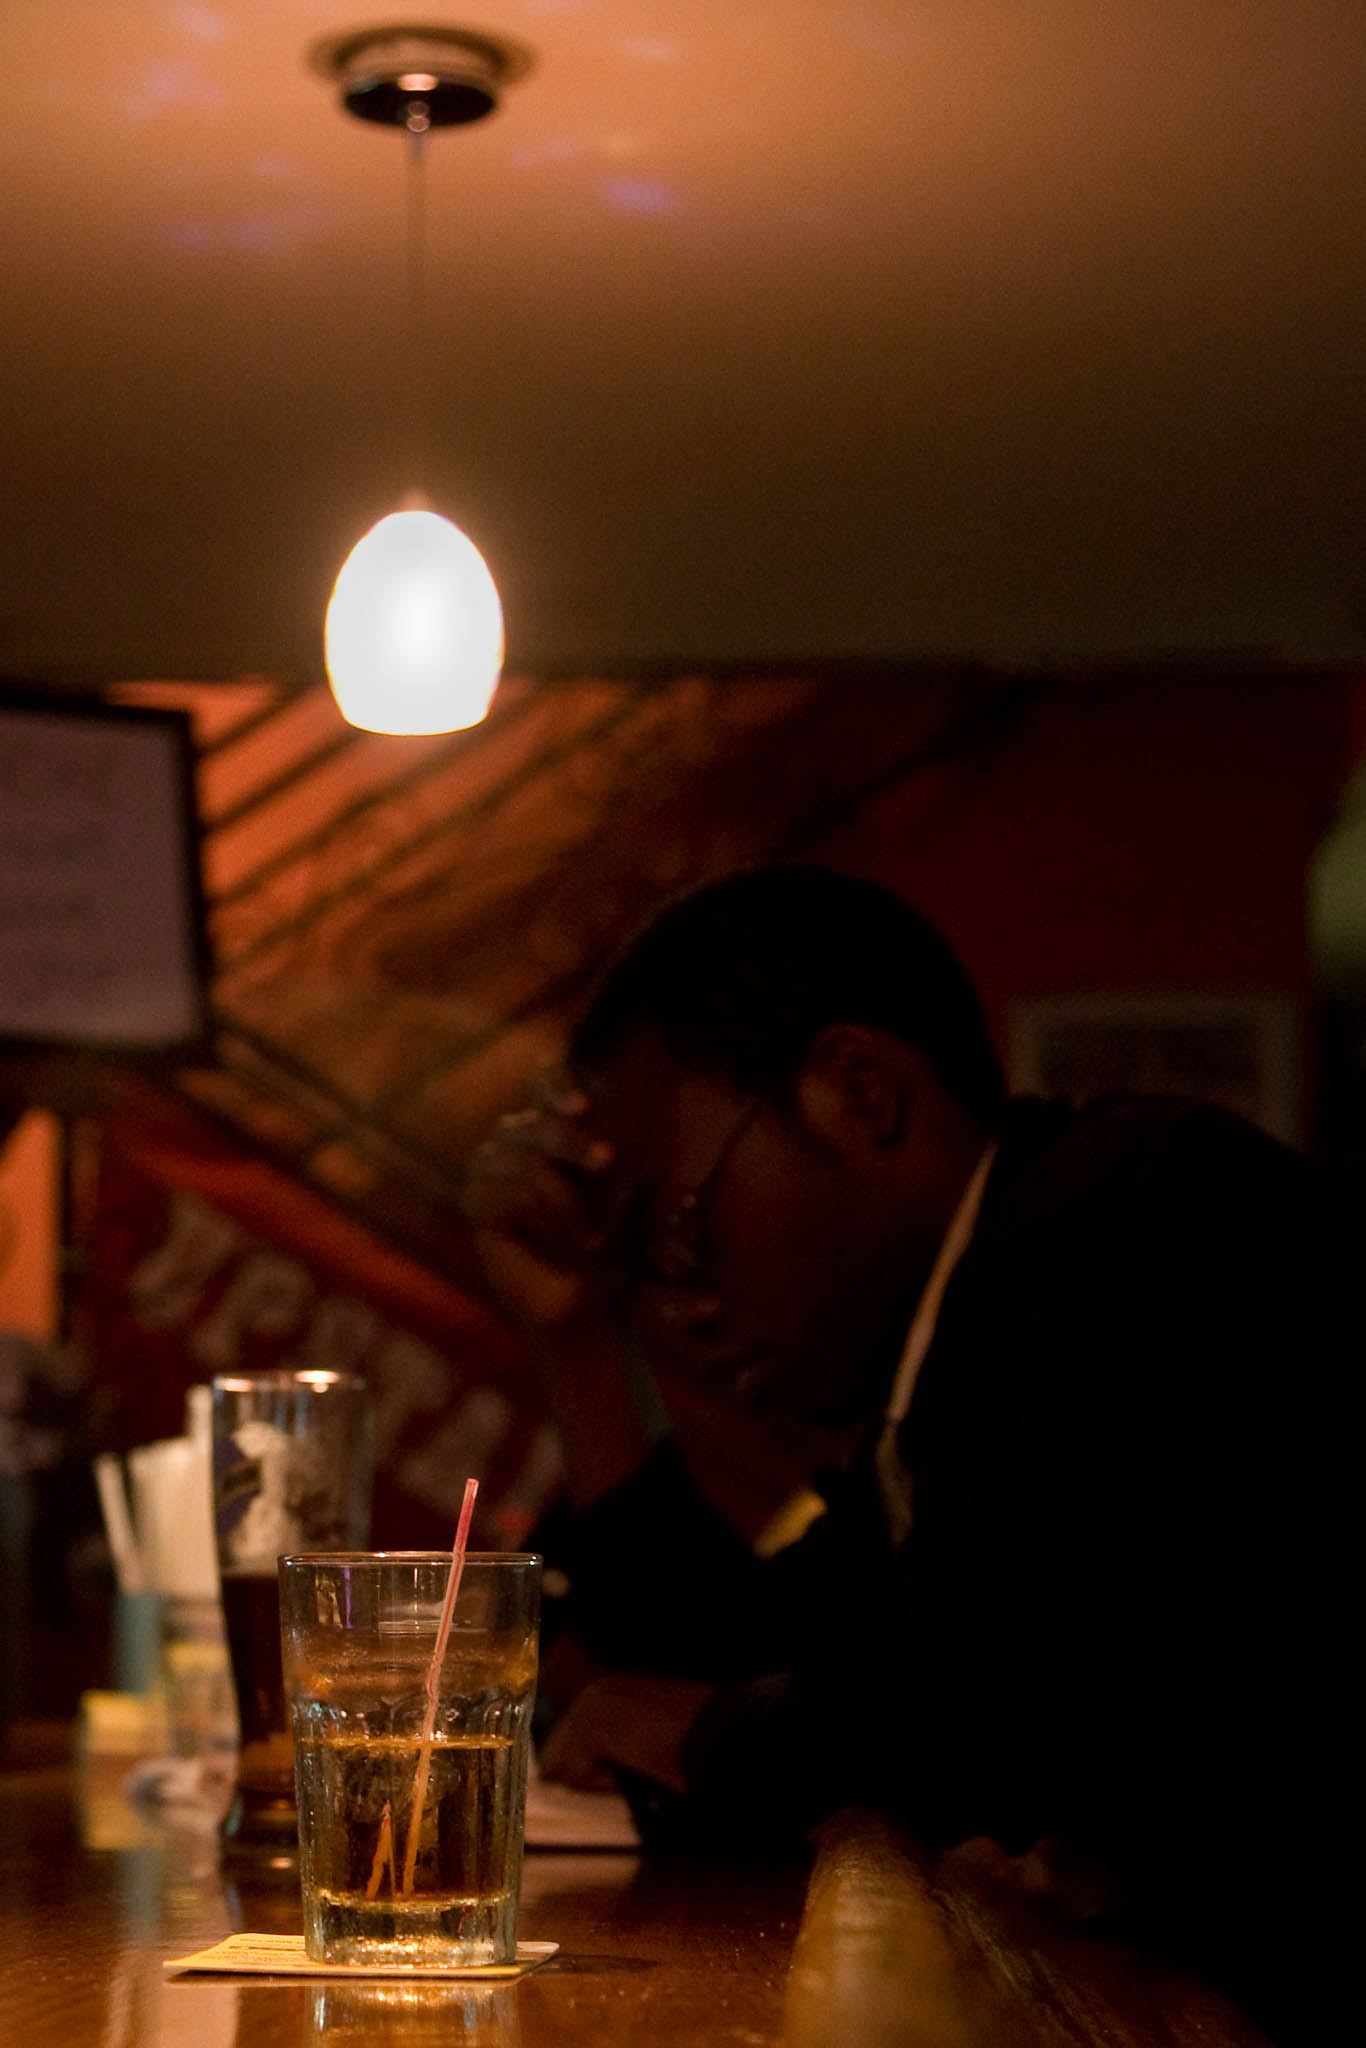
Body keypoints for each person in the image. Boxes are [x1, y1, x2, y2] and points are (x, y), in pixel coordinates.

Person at [463, 865, 1352, 2041]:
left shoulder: (1137, 1215)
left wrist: (722, 1731)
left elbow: (976, 1689)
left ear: (860, 1094)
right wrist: (575, 1336)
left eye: (674, 1225)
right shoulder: (958, 1350)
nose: (675, 1304)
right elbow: (749, 1663)